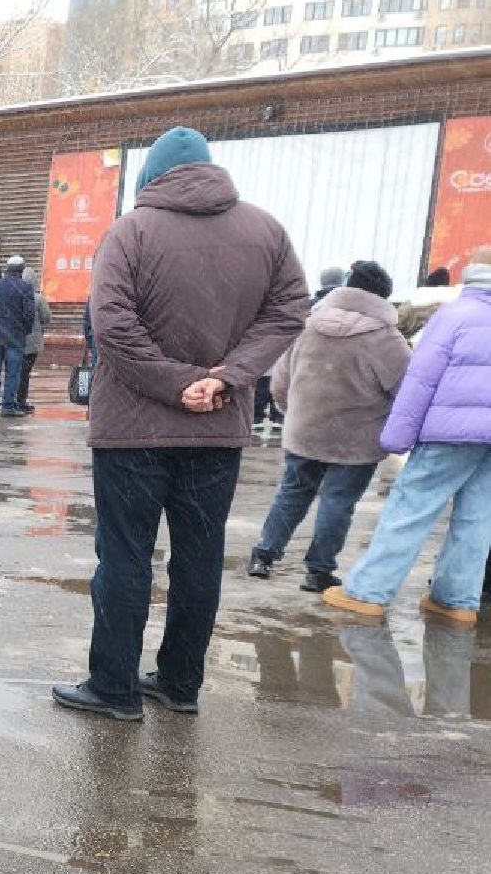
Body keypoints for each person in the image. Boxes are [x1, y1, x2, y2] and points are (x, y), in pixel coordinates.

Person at [52, 126, 307, 722]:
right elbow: (290, 309)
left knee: (124, 557)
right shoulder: (266, 231)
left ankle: (113, 688)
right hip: (218, 428)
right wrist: (227, 377)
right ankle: (180, 682)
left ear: (151, 178)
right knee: (199, 558)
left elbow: (111, 326)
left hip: (132, 431)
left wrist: (174, 382)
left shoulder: (130, 231)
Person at [324, 249, 491, 626]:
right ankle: (457, 600)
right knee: (478, 518)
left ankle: (368, 592)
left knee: (410, 509)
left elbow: (420, 380)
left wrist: (397, 437)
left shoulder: (453, 316)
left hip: (449, 434)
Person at [248, 261, 411, 593]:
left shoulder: (309, 325)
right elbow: (406, 390)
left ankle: (263, 556)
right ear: (382, 297)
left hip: (305, 430)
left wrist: (291, 412)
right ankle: (318, 571)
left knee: (292, 493)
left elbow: (280, 381)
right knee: (338, 502)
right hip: (357, 440)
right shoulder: (386, 339)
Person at [0, 254, 38, 417]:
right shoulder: (25, 288)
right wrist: (25, 330)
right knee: (13, 372)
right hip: (15, 337)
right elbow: (29, 314)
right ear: (21, 270)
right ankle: (8, 405)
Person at [17, 272, 52, 413]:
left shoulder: (15, 296)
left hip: (15, 340)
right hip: (32, 343)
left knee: (14, 372)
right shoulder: (38, 299)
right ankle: (21, 400)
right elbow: (46, 318)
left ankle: (12, 399)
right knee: (25, 373)